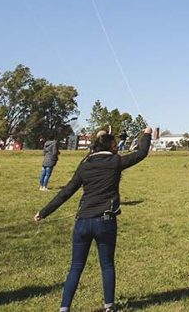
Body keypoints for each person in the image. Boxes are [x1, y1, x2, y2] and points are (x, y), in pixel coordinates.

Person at [35, 126, 154, 312]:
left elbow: (66, 192)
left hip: (82, 222)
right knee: (107, 264)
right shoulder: (115, 162)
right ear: (111, 147)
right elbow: (141, 153)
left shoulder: (85, 164)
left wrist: (43, 212)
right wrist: (146, 134)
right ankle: (109, 306)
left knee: (75, 267)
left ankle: (64, 308)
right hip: (105, 222)